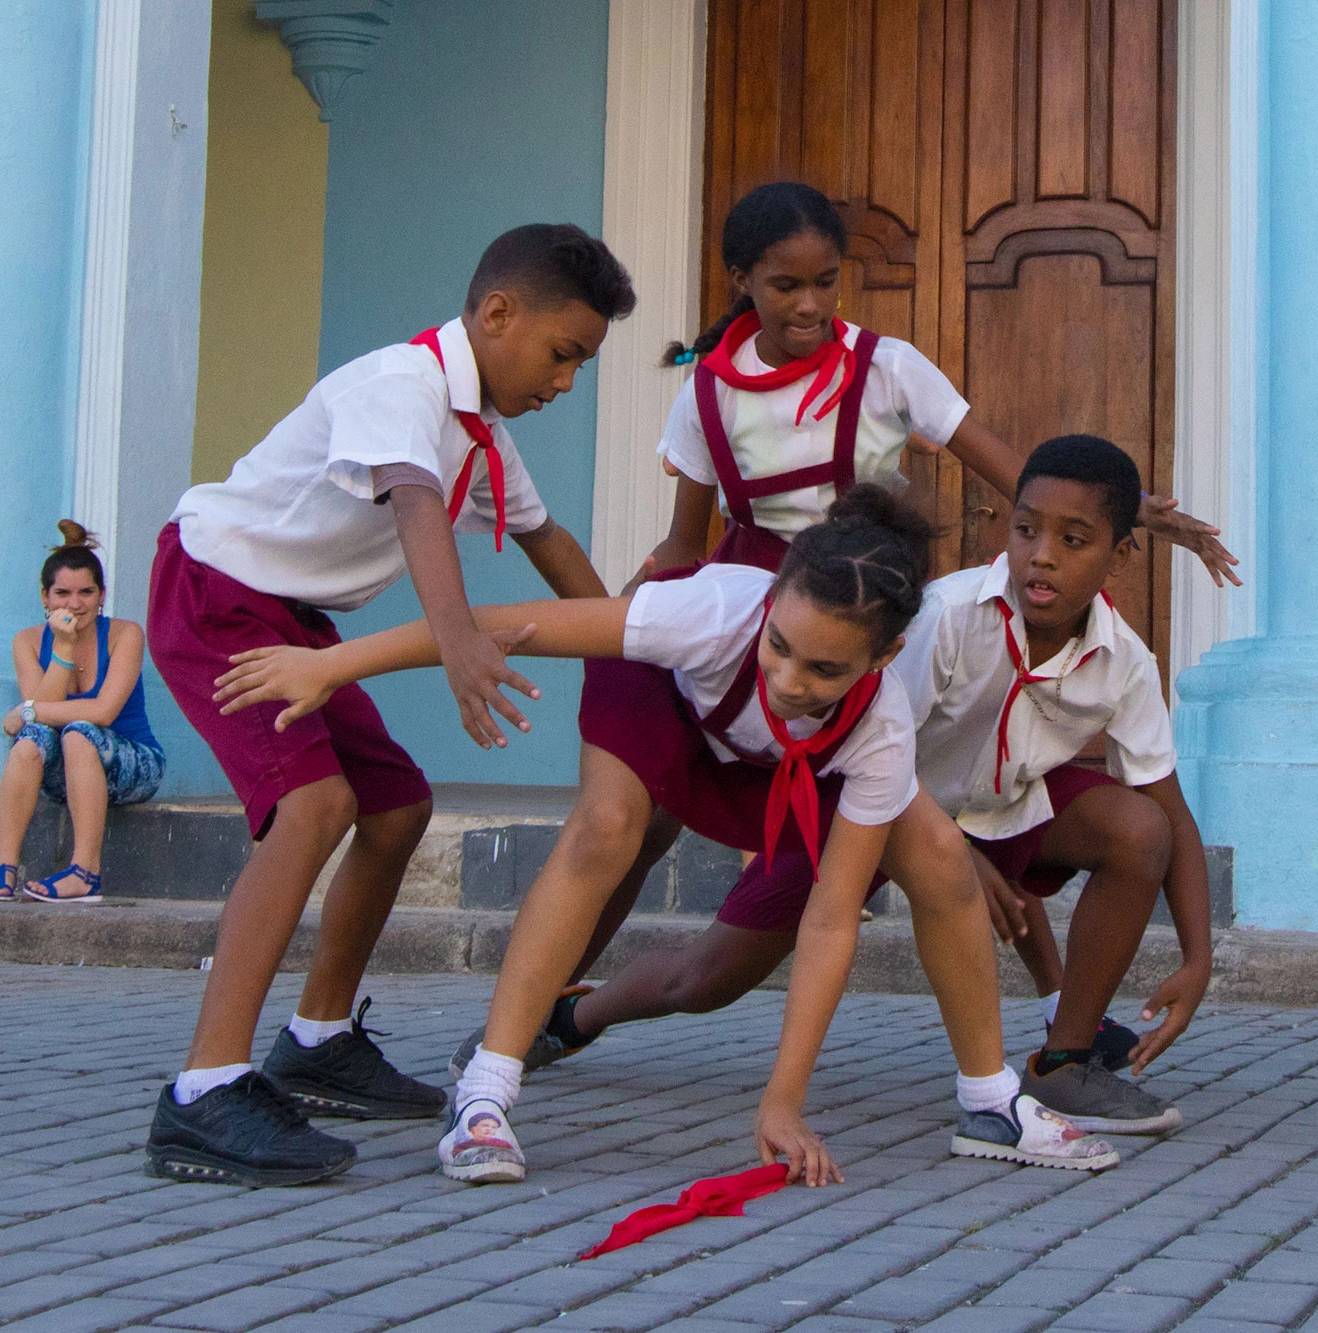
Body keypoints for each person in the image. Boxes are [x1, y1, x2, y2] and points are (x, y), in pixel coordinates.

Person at [448, 180, 1239, 1075]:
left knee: (926, 838)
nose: (811, 304)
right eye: (787, 285)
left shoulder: (888, 369)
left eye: (828, 281)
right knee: (638, 824)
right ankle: (537, 1014)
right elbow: (682, 540)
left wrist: (1136, 514)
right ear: (743, 280)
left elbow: (1015, 479)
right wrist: (622, 630)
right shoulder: (706, 393)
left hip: (850, 634)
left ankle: (1046, 1044)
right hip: (746, 625)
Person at [215, 486, 1123, 1187]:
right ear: (770, 605)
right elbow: (516, 626)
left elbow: (830, 918)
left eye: (827, 667)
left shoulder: (878, 724)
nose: (794, 677)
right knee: (610, 827)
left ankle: (990, 1103)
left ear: (882, 662)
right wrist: (335, 662)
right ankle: (483, 1096)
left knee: (936, 856)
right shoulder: (714, 610)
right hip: (659, 695)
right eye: (782, 646)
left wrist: (783, 1100)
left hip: (758, 763)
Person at [139, 224, 635, 1187]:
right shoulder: (399, 386)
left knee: (397, 804)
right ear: (498, 313)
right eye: (563, 352)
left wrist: (644, 644)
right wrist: (455, 639)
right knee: (314, 805)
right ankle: (203, 1090)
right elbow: (412, 500)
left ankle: (318, 1040)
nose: (567, 380)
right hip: (212, 589)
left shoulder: (479, 433)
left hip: (288, 612)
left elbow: (550, 545)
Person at [536, 437, 1212, 1138]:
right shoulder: (943, 618)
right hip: (853, 808)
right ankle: (573, 1015)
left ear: (1120, 555)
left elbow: (1171, 810)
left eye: (1073, 540)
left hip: (986, 816)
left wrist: (1198, 958)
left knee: (1138, 829)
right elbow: (873, 753)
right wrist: (951, 854)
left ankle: (1063, 1059)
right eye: (1026, 529)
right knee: (706, 978)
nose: (1042, 554)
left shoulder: (1126, 662)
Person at [0, 520, 165, 903]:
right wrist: (62, 649)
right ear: (45, 597)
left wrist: (25, 712)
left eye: (86, 592)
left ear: (102, 596)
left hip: (131, 763)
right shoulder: (28, 642)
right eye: (62, 593)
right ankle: (5, 866)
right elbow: (40, 716)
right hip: (66, 767)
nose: (74, 603)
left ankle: (85, 873)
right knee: (33, 740)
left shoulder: (125, 634)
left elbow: (103, 711)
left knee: (79, 730)